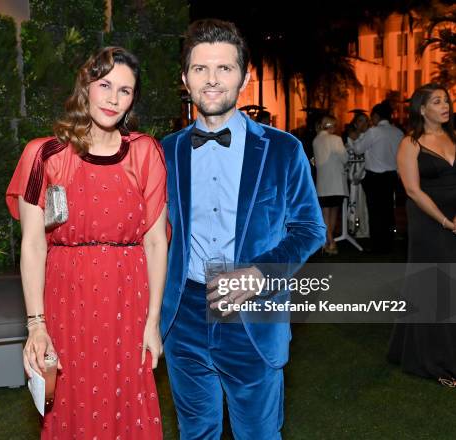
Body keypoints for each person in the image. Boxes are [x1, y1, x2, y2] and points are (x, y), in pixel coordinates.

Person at [160, 19, 325, 439]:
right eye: (200, 69)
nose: (212, 80)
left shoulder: (283, 148)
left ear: (245, 77)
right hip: (185, 315)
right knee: (196, 433)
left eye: (225, 68)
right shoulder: (166, 152)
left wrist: (259, 273)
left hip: (253, 315)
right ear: (185, 78)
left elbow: (309, 229)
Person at [6, 47, 168, 439]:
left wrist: (153, 323)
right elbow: (32, 245)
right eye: (105, 85)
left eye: (125, 91)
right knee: (71, 404)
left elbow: (155, 244)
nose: (114, 98)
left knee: (126, 402)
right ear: (86, 87)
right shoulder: (44, 154)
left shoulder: (146, 152)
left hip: (128, 304)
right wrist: (36, 325)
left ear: (133, 100)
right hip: (66, 302)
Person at [387, 83, 456, 386]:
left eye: (448, 101)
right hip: (429, 222)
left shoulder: (455, 137)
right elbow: (413, 191)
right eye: (438, 101)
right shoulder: (410, 143)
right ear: (422, 108)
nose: (446, 106)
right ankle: (436, 362)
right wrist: (446, 221)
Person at [351, 102, 404, 253]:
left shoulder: (374, 132)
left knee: (375, 212)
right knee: (388, 210)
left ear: (376, 116)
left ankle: (377, 244)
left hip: (375, 177)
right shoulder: (398, 132)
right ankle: (389, 242)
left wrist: (356, 138)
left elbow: (358, 149)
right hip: (391, 176)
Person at [313, 115, 349, 254]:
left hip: (323, 183)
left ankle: (329, 241)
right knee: (333, 212)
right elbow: (345, 158)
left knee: (325, 213)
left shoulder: (316, 140)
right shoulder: (336, 139)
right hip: (337, 182)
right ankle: (331, 242)